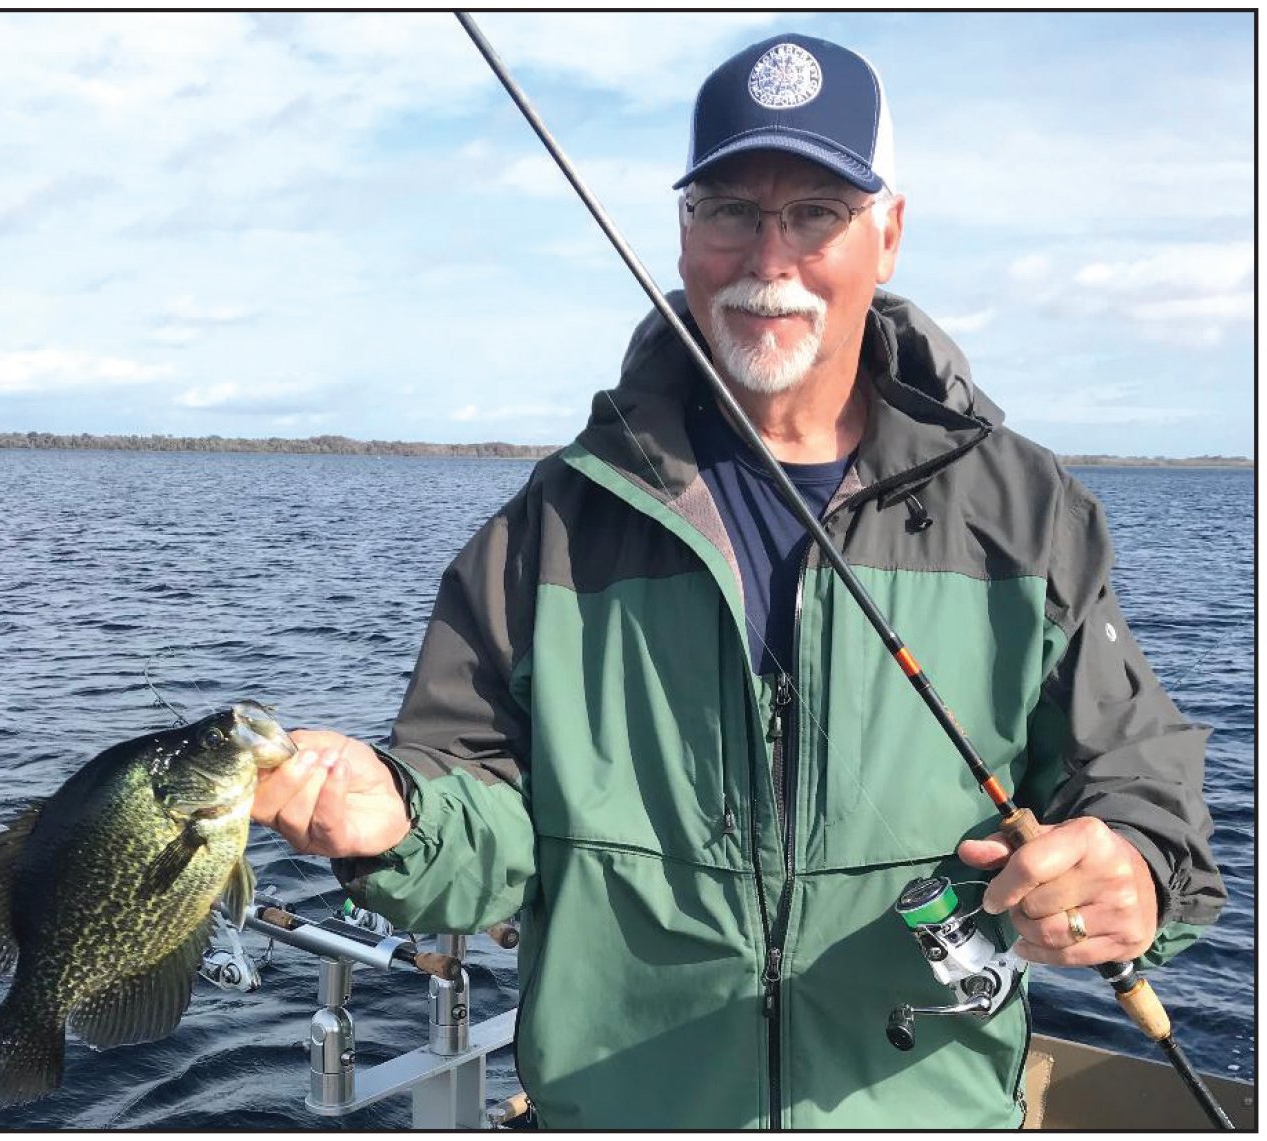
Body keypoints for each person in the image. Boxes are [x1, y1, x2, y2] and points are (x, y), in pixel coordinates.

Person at [253, 32, 1224, 1128]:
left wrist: (1129, 871)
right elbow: (478, 821)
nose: (770, 257)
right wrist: (399, 817)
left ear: (889, 235)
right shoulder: (554, 524)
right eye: (728, 210)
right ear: (682, 234)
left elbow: (1140, 783)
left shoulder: (1027, 512)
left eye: (817, 212)